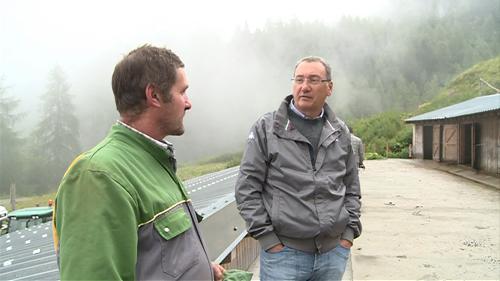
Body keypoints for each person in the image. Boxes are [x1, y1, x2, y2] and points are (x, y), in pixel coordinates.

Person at [53, 45, 224, 280]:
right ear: (153, 95)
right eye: (182, 92)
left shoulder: (154, 160)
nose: (188, 103)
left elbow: (159, 260)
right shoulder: (98, 175)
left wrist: (202, 269)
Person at [235, 56, 362, 281]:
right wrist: (268, 240)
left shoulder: (339, 131)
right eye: (299, 79)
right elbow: (246, 188)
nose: (304, 87)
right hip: (283, 255)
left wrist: (348, 235)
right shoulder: (267, 128)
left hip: (333, 254)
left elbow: (351, 186)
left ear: (329, 87)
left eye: (313, 80)